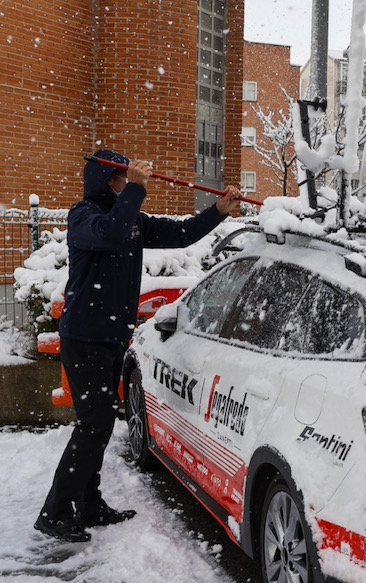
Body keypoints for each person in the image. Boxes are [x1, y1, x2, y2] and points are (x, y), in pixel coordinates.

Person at [34, 149, 241, 543]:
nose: (124, 183)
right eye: (120, 178)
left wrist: (218, 210)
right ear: (107, 180)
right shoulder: (84, 217)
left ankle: (89, 504)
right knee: (94, 424)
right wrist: (137, 187)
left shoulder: (131, 220)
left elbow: (180, 235)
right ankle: (56, 512)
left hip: (111, 336)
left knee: (101, 423)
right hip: (84, 338)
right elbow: (109, 232)